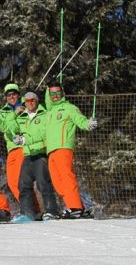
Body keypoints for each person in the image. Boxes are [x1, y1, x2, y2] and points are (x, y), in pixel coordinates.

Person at [43, 82, 97, 218]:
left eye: (57, 93)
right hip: (51, 150)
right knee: (58, 183)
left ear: (63, 94)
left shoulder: (69, 108)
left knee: (67, 178)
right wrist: (47, 88)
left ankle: (75, 207)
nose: (55, 96)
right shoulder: (49, 112)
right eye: (52, 93)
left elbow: (80, 120)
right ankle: (78, 207)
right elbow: (47, 101)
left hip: (63, 148)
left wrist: (88, 124)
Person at [11, 92, 60, 221]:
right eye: (27, 101)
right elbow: (8, 127)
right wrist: (14, 114)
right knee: (23, 185)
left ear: (37, 101)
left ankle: (51, 211)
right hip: (28, 155)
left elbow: (43, 133)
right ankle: (27, 213)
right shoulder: (22, 117)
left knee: (43, 183)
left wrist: (25, 140)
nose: (30, 102)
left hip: (40, 153)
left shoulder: (44, 115)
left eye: (32, 100)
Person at [0, 83, 26, 202]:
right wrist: (14, 114)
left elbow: (18, 129)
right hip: (11, 148)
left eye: (14, 94)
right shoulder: (3, 112)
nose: (11, 97)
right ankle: (26, 206)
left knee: (22, 180)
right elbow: (5, 128)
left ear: (18, 95)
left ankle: (31, 208)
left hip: (23, 147)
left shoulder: (26, 106)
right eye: (8, 95)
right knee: (12, 181)